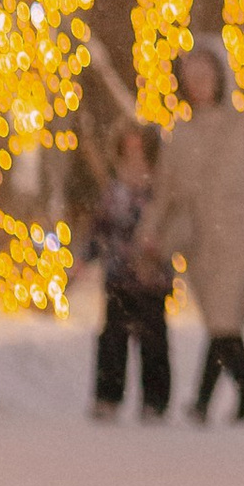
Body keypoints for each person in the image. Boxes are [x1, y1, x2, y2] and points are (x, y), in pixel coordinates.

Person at [139, 35, 244, 426]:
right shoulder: (181, 135)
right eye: (191, 76)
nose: (198, 83)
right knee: (220, 322)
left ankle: (207, 400)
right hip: (200, 243)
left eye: (205, 74)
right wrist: (150, 233)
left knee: (224, 318)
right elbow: (165, 193)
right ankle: (243, 395)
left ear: (220, 75)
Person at [87, 120, 171, 420]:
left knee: (153, 341)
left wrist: (156, 248)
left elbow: (169, 228)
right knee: (112, 338)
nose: (134, 159)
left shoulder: (160, 192)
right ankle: (107, 397)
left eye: (140, 152)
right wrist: (85, 260)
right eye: (128, 152)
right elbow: (99, 229)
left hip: (151, 278)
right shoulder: (114, 191)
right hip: (118, 276)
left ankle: (155, 400)